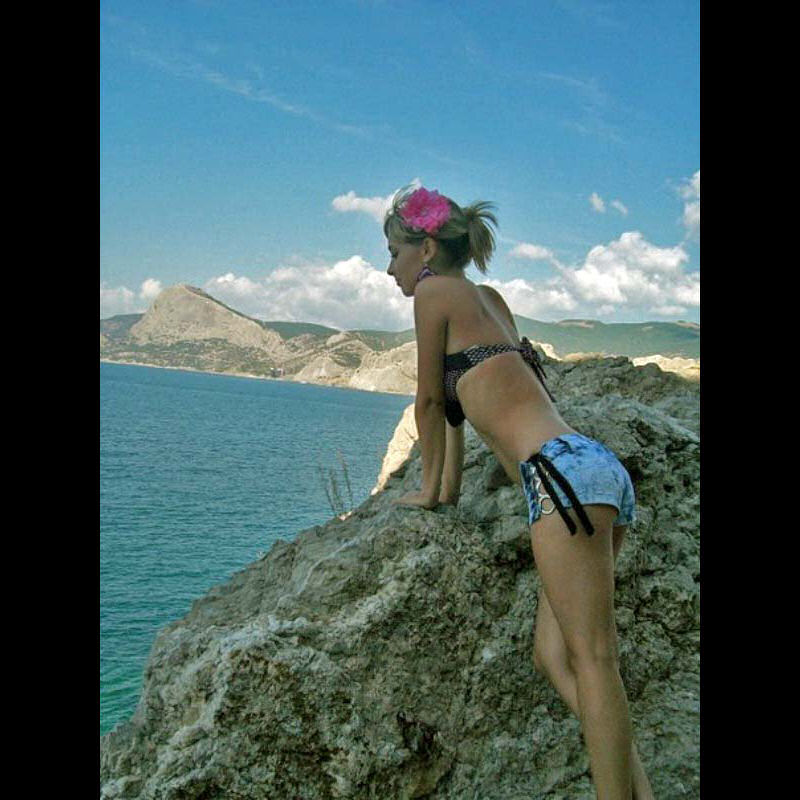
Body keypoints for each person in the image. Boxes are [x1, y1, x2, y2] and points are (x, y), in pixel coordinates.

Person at [385, 185, 654, 800]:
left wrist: (424, 492)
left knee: (594, 662)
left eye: (394, 252)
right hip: (591, 469)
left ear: (426, 250)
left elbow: (428, 400)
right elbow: (456, 409)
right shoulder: (490, 301)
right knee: (555, 660)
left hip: (558, 481)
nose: (389, 268)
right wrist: (443, 488)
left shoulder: (433, 293)